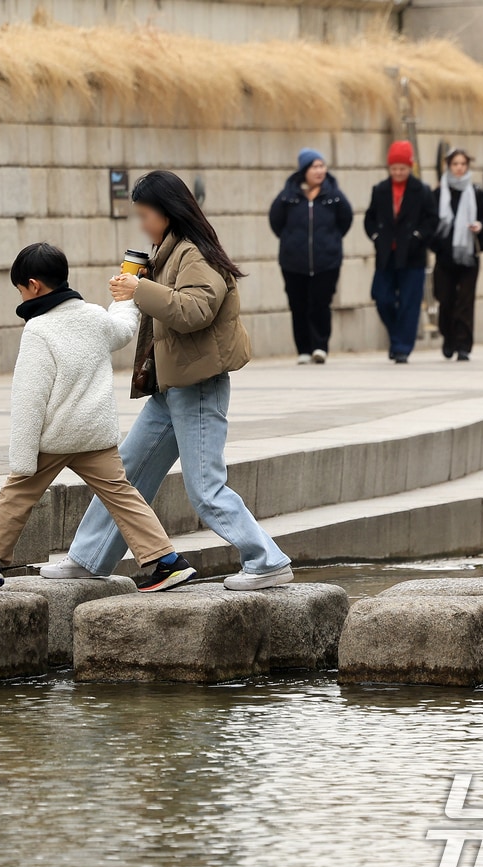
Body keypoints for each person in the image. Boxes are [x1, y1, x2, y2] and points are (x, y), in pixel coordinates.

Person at [41, 171, 293, 591]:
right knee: (125, 475)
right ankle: (88, 558)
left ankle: (267, 560)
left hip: (197, 388)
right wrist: (142, 284)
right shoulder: (171, 252)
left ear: (167, 212)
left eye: (145, 215)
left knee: (206, 488)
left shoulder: (193, 253)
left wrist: (140, 288)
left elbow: (195, 310)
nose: (142, 224)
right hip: (171, 388)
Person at [0, 244, 195, 594]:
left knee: (16, 495)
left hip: (56, 437)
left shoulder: (38, 330)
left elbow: (29, 399)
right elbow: (124, 329)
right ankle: (168, 561)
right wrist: (126, 295)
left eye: (20, 290)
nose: (21, 296)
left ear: (33, 285)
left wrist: (22, 458)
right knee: (123, 496)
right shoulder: (94, 316)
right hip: (96, 433)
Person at [269, 147, 353, 364]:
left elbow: (346, 220)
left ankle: (320, 347)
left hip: (327, 261)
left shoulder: (334, 195)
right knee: (298, 305)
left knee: (321, 304)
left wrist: (331, 241)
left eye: (322, 166)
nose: (319, 171)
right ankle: (304, 349)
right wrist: (291, 241)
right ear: (304, 170)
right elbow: (276, 221)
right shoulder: (288, 195)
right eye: (314, 167)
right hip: (293, 262)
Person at [364, 140, 437, 364]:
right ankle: (397, 336)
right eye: (394, 168)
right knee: (382, 297)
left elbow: (432, 219)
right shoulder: (380, 190)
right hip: (386, 254)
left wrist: (418, 236)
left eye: (402, 168)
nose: (398, 173)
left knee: (409, 302)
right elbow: (370, 218)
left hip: (412, 255)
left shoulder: (421, 191)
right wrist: (376, 236)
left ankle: (401, 347)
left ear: (410, 167)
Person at [430, 147, 483, 361]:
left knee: (465, 302)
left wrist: (480, 226)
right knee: (445, 299)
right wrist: (436, 245)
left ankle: (464, 344)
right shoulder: (438, 194)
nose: (459, 168)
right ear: (448, 166)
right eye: (455, 164)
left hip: (468, 256)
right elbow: (431, 222)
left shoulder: (476, 193)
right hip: (445, 256)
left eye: (463, 164)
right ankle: (449, 337)